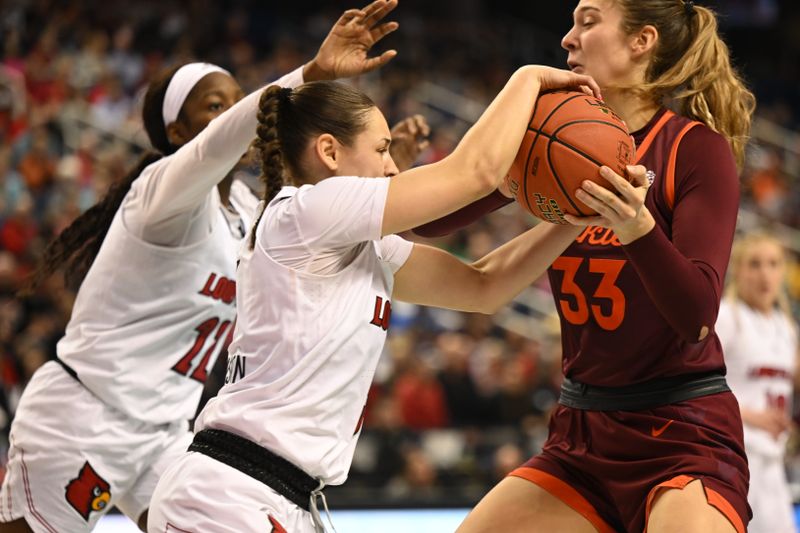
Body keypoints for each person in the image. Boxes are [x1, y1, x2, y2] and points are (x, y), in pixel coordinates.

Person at [0, 2, 404, 532]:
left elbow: (327, 221)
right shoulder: (159, 196)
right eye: (214, 106)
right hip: (87, 415)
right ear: (175, 129)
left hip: (168, 433)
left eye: (236, 103)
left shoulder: (246, 210)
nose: (231, 116)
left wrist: (378, 167)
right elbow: (221, 142)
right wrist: (312, 74)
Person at [146, 66, 604, 532]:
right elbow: (474, 173)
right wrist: (527, 79)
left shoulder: (359, 244)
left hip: (280, 493)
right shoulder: (305, 212)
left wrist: (577, 216)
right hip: (228, 493)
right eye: (382, 149)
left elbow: (484, 286)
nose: (391, 165)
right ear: (328, 151)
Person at [415, 1, 758, 532]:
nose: (568, 40)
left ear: (641, 41)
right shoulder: (550, 138)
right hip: (581, 434)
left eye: (588, 21)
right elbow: (428, 221)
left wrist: (638, 230)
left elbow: (696, 317)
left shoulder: (693, 149)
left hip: (681, 430)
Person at [716, 232, 799, 533]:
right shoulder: (726, 317)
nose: (765, 274)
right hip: (733, 457)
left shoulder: (784, 326)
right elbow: (695, 387)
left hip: (772, 460)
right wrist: (753, 416)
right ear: (737, 269)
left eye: (773, 264)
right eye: (755, 264)